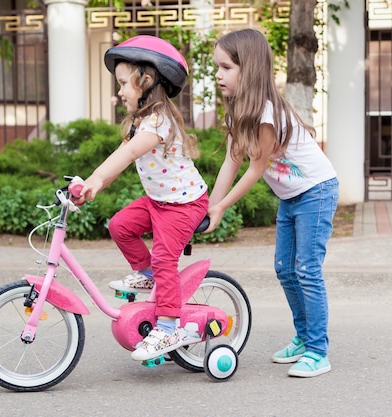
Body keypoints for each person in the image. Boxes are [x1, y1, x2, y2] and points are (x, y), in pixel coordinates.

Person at [204, 29, 339, 378]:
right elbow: (230, 162)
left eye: (226, 67)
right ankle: (304, 337)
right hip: (291, 196)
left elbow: (255, 169)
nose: (218, 74)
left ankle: (318, 350)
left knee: (306, 269)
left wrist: (222, 208)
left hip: (316, 191)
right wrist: (209, 206)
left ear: (247, 69)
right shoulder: (238, 113)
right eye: (216, 67)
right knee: (285, 269)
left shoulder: (266, 113)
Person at [69, 36, 208, 361]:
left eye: (122, 83)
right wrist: (94, 181)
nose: (118, 91)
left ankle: (169, 325)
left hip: (184, 205)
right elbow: (122, 153)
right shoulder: (141, 121)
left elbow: (130, 152)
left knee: (165, 259)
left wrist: (97, 180)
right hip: (159, 202)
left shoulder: (158, 121)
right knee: (120, 225)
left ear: (145, 81)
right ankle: (147, 277)